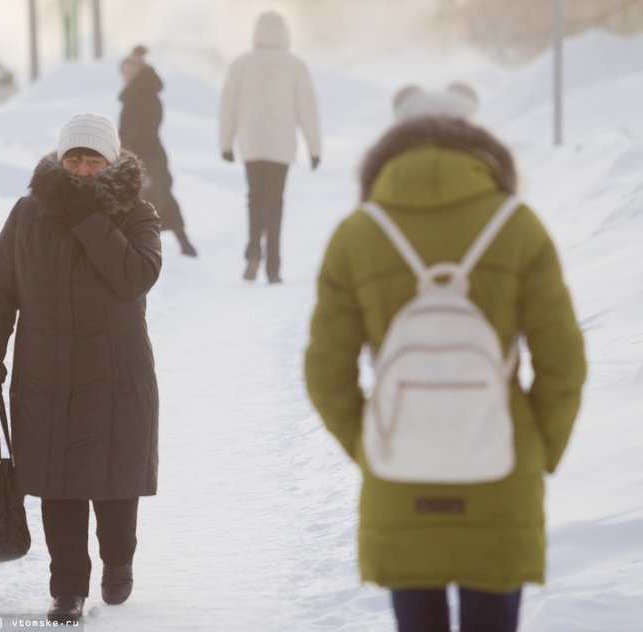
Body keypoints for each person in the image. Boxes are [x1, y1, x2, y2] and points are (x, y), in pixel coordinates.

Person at [303, 85, 586, 632]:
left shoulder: (358, 234)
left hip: (399, 468)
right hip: (502, 472)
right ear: (478, 146)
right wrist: (537, 448)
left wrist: (368, 445)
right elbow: (564, 362)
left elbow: (324, 371)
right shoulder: (516, 226)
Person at [0, 112, 162, 624]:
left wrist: (88, 218)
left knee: (115, 481)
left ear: (111, 162)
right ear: (59, 159)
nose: (80, 169)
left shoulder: (136, 213)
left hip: (117, 373)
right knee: (59, 484)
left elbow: (136, 277)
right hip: (45, 375)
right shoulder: (28, 214)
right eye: (72, 158)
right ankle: (67, 588)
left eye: (92, 159)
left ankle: (118, 562)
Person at [219, 10, 321, 283]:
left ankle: (253, 252)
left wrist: (226, 143)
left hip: (251, 143)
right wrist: (315, 149)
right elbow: (307, 111)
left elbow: (227, 108)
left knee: (254, 199)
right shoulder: (295, 66)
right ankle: (273, 266)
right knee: (275, 202)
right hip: (281, 146)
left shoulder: (241, 64)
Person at [118, 45, 198, 257]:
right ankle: (182, 244)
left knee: (152, 199)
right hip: (144, 156)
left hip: (145, 157)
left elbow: (142, 132)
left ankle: (152, 248)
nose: (123, 77)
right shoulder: (141, 93)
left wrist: (137, 162)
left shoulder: (141, 96)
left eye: (125, 73)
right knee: (156, 198)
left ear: (134, 73)